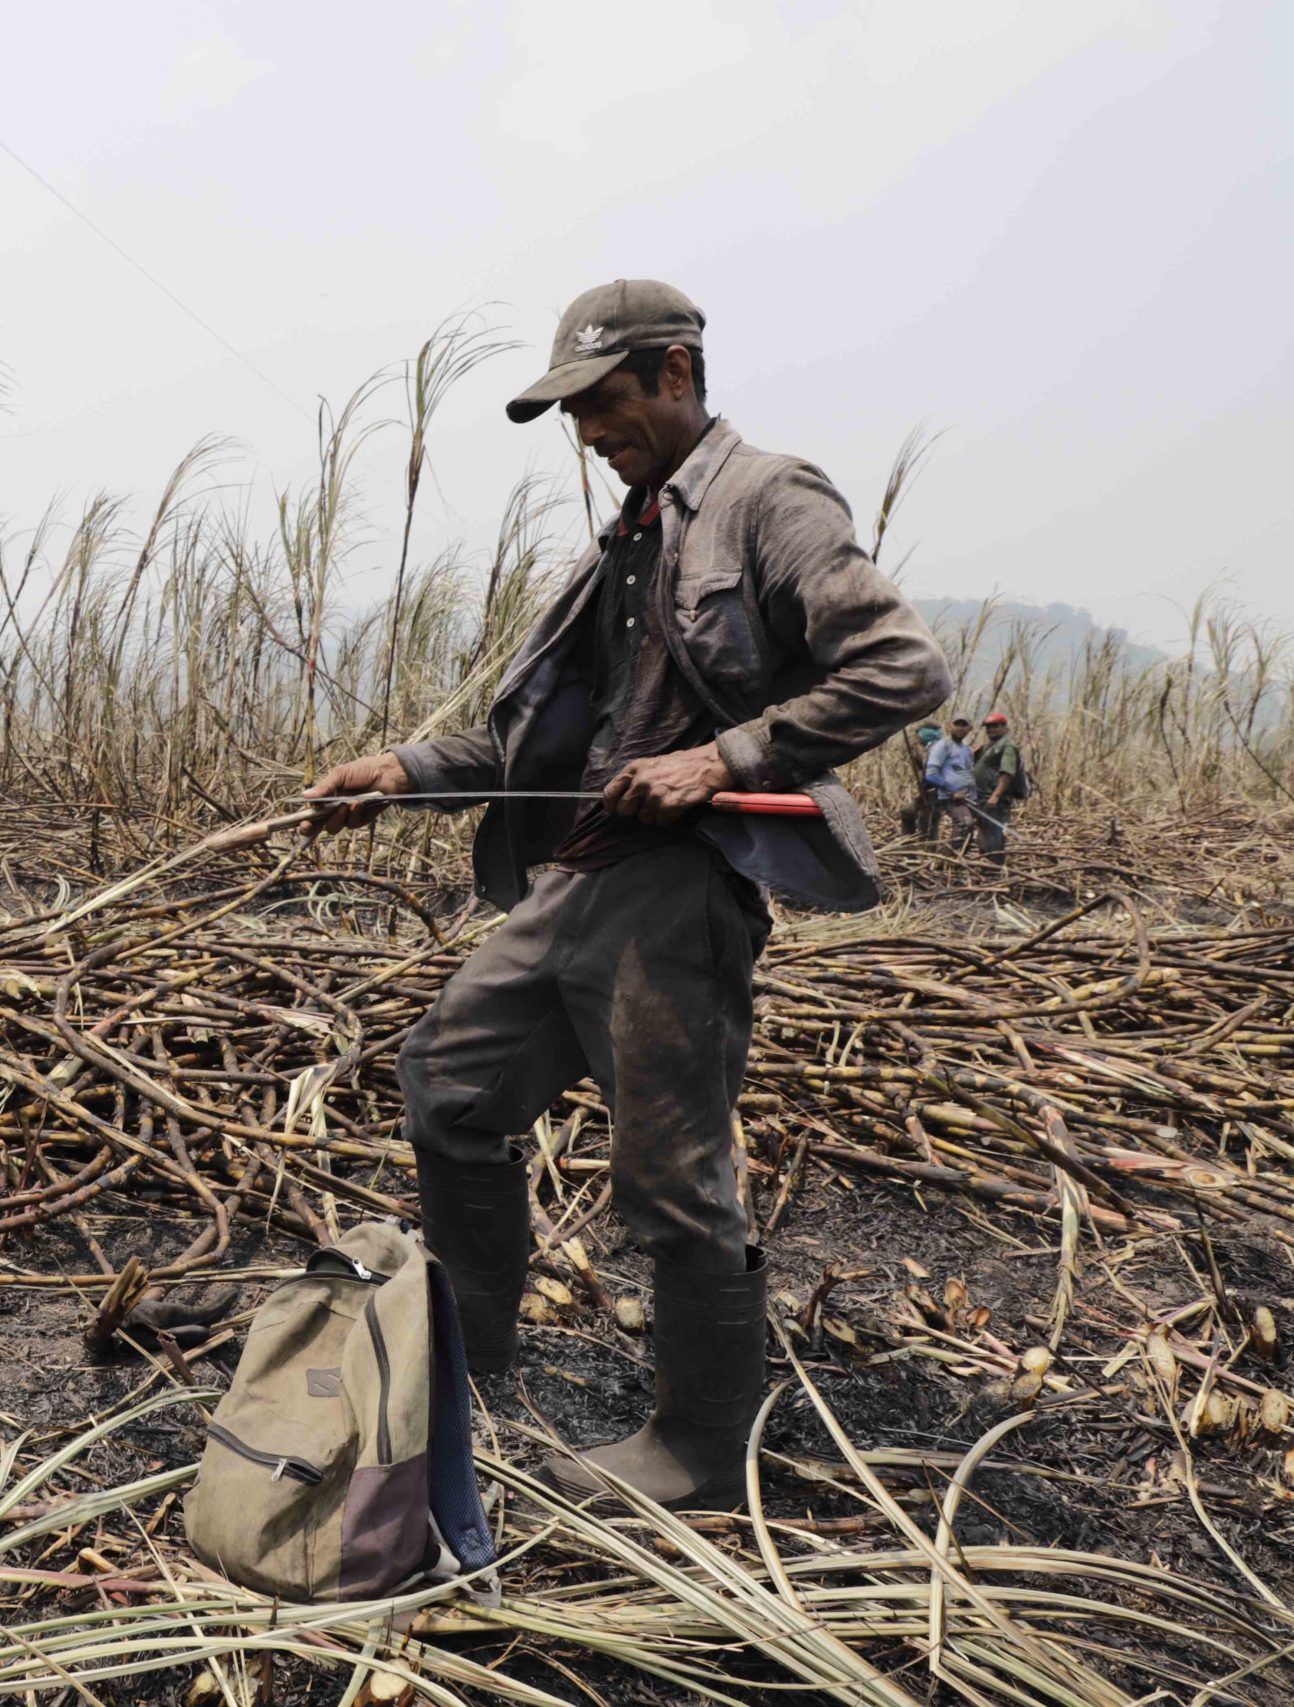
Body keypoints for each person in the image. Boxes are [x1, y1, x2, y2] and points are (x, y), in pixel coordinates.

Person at [304, 280, 950, 1511]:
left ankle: (702, 1451)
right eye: (574, 416)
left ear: (672, 374)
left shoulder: (768, 497)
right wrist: (400, 772)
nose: (589, 434)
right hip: (577, 881)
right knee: (448, 1083)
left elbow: (902, 665)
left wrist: (724, 760)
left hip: (679, 891)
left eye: (603, 403)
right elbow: (551, 753)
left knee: (669, 1179)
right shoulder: (632, 538)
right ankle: (475, 1346)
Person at [971, 711, 1024, 863]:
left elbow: (1007, 772)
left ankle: (994, 868)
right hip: (982, 797)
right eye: (988, 727)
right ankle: (987, 866)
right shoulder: (990, 745)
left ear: (1004, 727)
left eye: (994, 726)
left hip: (994, 799)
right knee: (985, 832)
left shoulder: (1007, 746)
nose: (991, 730)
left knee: (993, 833)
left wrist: (996, 795)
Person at [924, 717, 978, 845]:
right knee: (964, 823)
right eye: (957, 724)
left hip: (966, 797)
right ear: (950, 726)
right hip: (949, 796)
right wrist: (953, 791)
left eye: (964, 725)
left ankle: (955, 861)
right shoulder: (943, 746)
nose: (960, 728)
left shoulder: (967, 750)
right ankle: (944, 860)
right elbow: (931, 775)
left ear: (969, 729)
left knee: (969, 831)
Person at [904, 722, 942, 836]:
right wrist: (917, 759)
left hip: (934, 794)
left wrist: (928, 788)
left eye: (918, 734)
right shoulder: (931, 747)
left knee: (927, 823)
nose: (917, 737)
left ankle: (925, 849)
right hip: (928, 793)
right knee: (907, 812)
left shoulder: (937, 748)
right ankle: (910, 846)